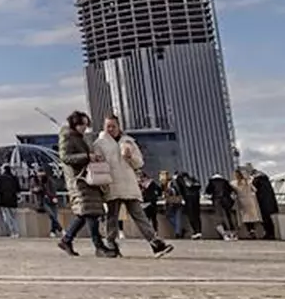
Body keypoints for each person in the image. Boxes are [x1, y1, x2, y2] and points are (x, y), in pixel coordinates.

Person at [93, 116, 173, 258]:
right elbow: (98, 165)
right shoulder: (99, 144)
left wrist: (130, 157)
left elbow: (139, 163)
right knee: (112, 216)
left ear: (119, 126)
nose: (110, 129)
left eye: (113, 126)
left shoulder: (128, 141)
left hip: (129, 183)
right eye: (108, 126)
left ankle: (155, 243)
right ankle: (111, 244)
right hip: (111, 184)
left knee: (139, 215)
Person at [57, 111, 110, 257]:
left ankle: (66, 240)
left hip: (87, 178)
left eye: (86, 125)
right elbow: (65, 157)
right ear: (75, 123)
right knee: (90, 212)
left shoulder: (79, 137)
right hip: (79, 179)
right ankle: (98, 246)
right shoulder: (67, 137)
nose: (84, 128)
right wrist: (87, 157)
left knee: (85, 213)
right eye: (82, 124)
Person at [231, 168, 264, 239]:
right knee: (252, 217)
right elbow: (255, 190)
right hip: (250, 200)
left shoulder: (234, 183)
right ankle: (253, 231)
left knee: (245, 218)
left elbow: (233, 192)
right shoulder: (248, 182)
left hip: (241, 201)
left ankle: (249, 231)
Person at [204, 174, 237, 241]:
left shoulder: (211, 182)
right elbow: (232, 191)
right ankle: (233, 234)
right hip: (226, 201)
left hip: (217, 201)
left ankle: (224, 234)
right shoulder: (225, 182)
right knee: (228, 217)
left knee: (219, 217)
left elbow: (208, 192)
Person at [31, 170, 63, 237]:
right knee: (51, 214)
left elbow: (53, 190)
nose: (40, 177)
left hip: (51, 199)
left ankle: (53, 231)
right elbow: (32, 189)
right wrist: (36, 189)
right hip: (43, 201)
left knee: (54, 216)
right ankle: (61, 229)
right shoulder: (34, 180)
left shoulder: (49, 180)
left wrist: (54, 197)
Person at [251, 167, 279, 241]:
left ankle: (269, 234)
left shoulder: (257, 180)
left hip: (262, 202)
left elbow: (253, 189)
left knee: (265, 219)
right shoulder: (266, 180)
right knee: (268, 219)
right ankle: (271, 234)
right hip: (269, 203)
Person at [0, 165, 21, 238]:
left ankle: (12, 231)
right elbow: (18, 189)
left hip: (4, 201)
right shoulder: (14, 178)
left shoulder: (0, 178)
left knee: (7, 217)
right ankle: (16, 232)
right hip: (13, 200)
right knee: (14, 217)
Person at [176, 172, 203, 240]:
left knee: (191, 216)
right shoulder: (193, 180)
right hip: (196, 199)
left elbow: (180, 190)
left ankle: (195, 231)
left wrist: (182, 198)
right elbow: (199, 187)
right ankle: (198, 231)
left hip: (188, 199)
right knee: (197, 215)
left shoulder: (180, 180)